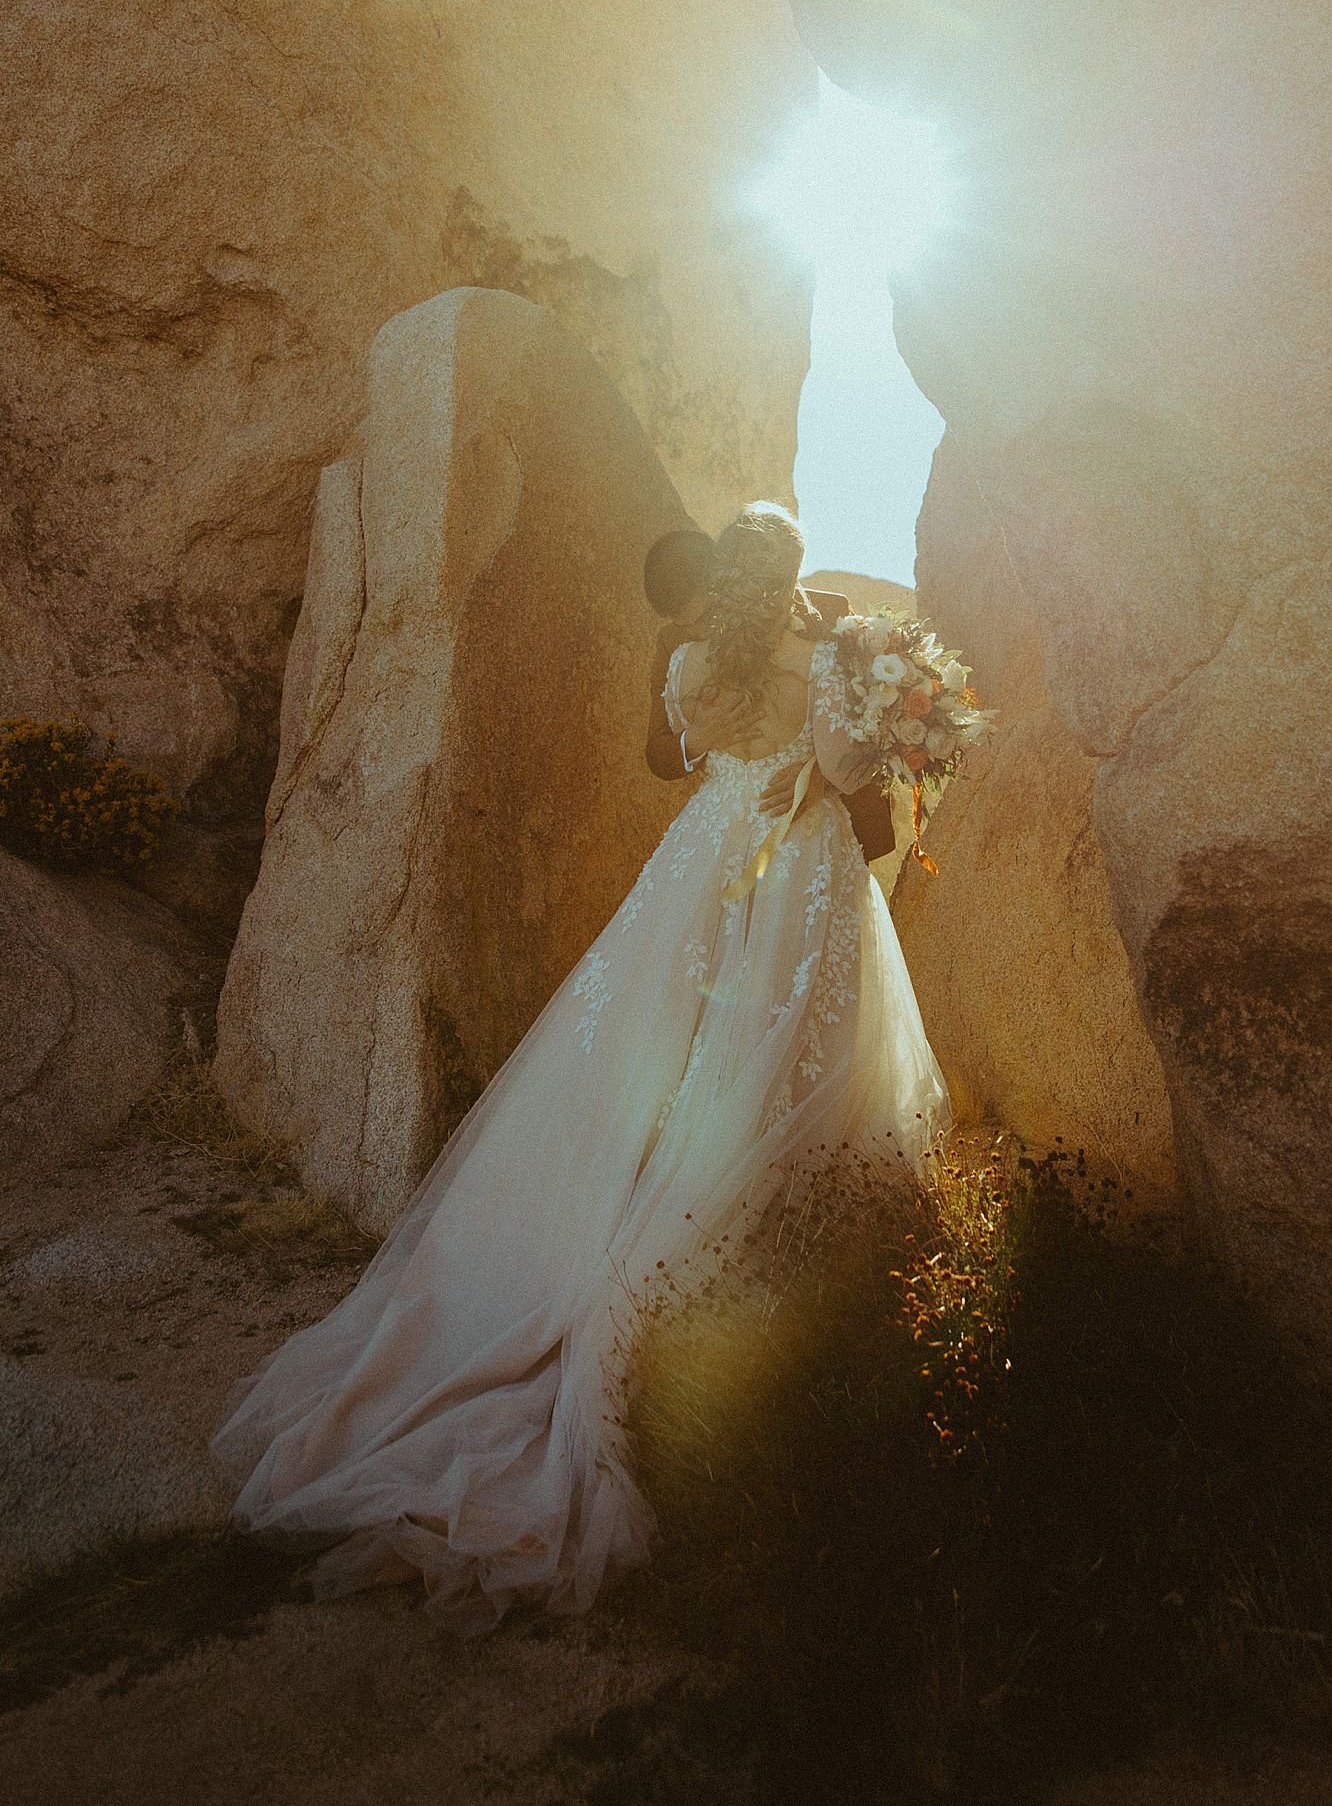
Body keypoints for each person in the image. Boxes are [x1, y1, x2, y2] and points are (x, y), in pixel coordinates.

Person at [213, 501, 952, 1635]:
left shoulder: (694, 656)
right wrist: (888, 763)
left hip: (702, 863)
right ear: (794, 569)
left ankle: (617, 1234)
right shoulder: (844, 655)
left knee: (661, 1058)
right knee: (791, 1062)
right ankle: (785, 1272)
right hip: (796, 871)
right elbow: (871, 820)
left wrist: (714, 722)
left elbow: (669, 762)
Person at [642, 526, 898, 865]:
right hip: (728, 840)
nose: (699, 634)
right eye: (686, 625)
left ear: (725, 578)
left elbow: (876, 719)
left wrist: (823, 775)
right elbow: (658, 753)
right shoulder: (673, 642)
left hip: (823, 836)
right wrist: (698, 738)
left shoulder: (828, 613)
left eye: (705, 617)